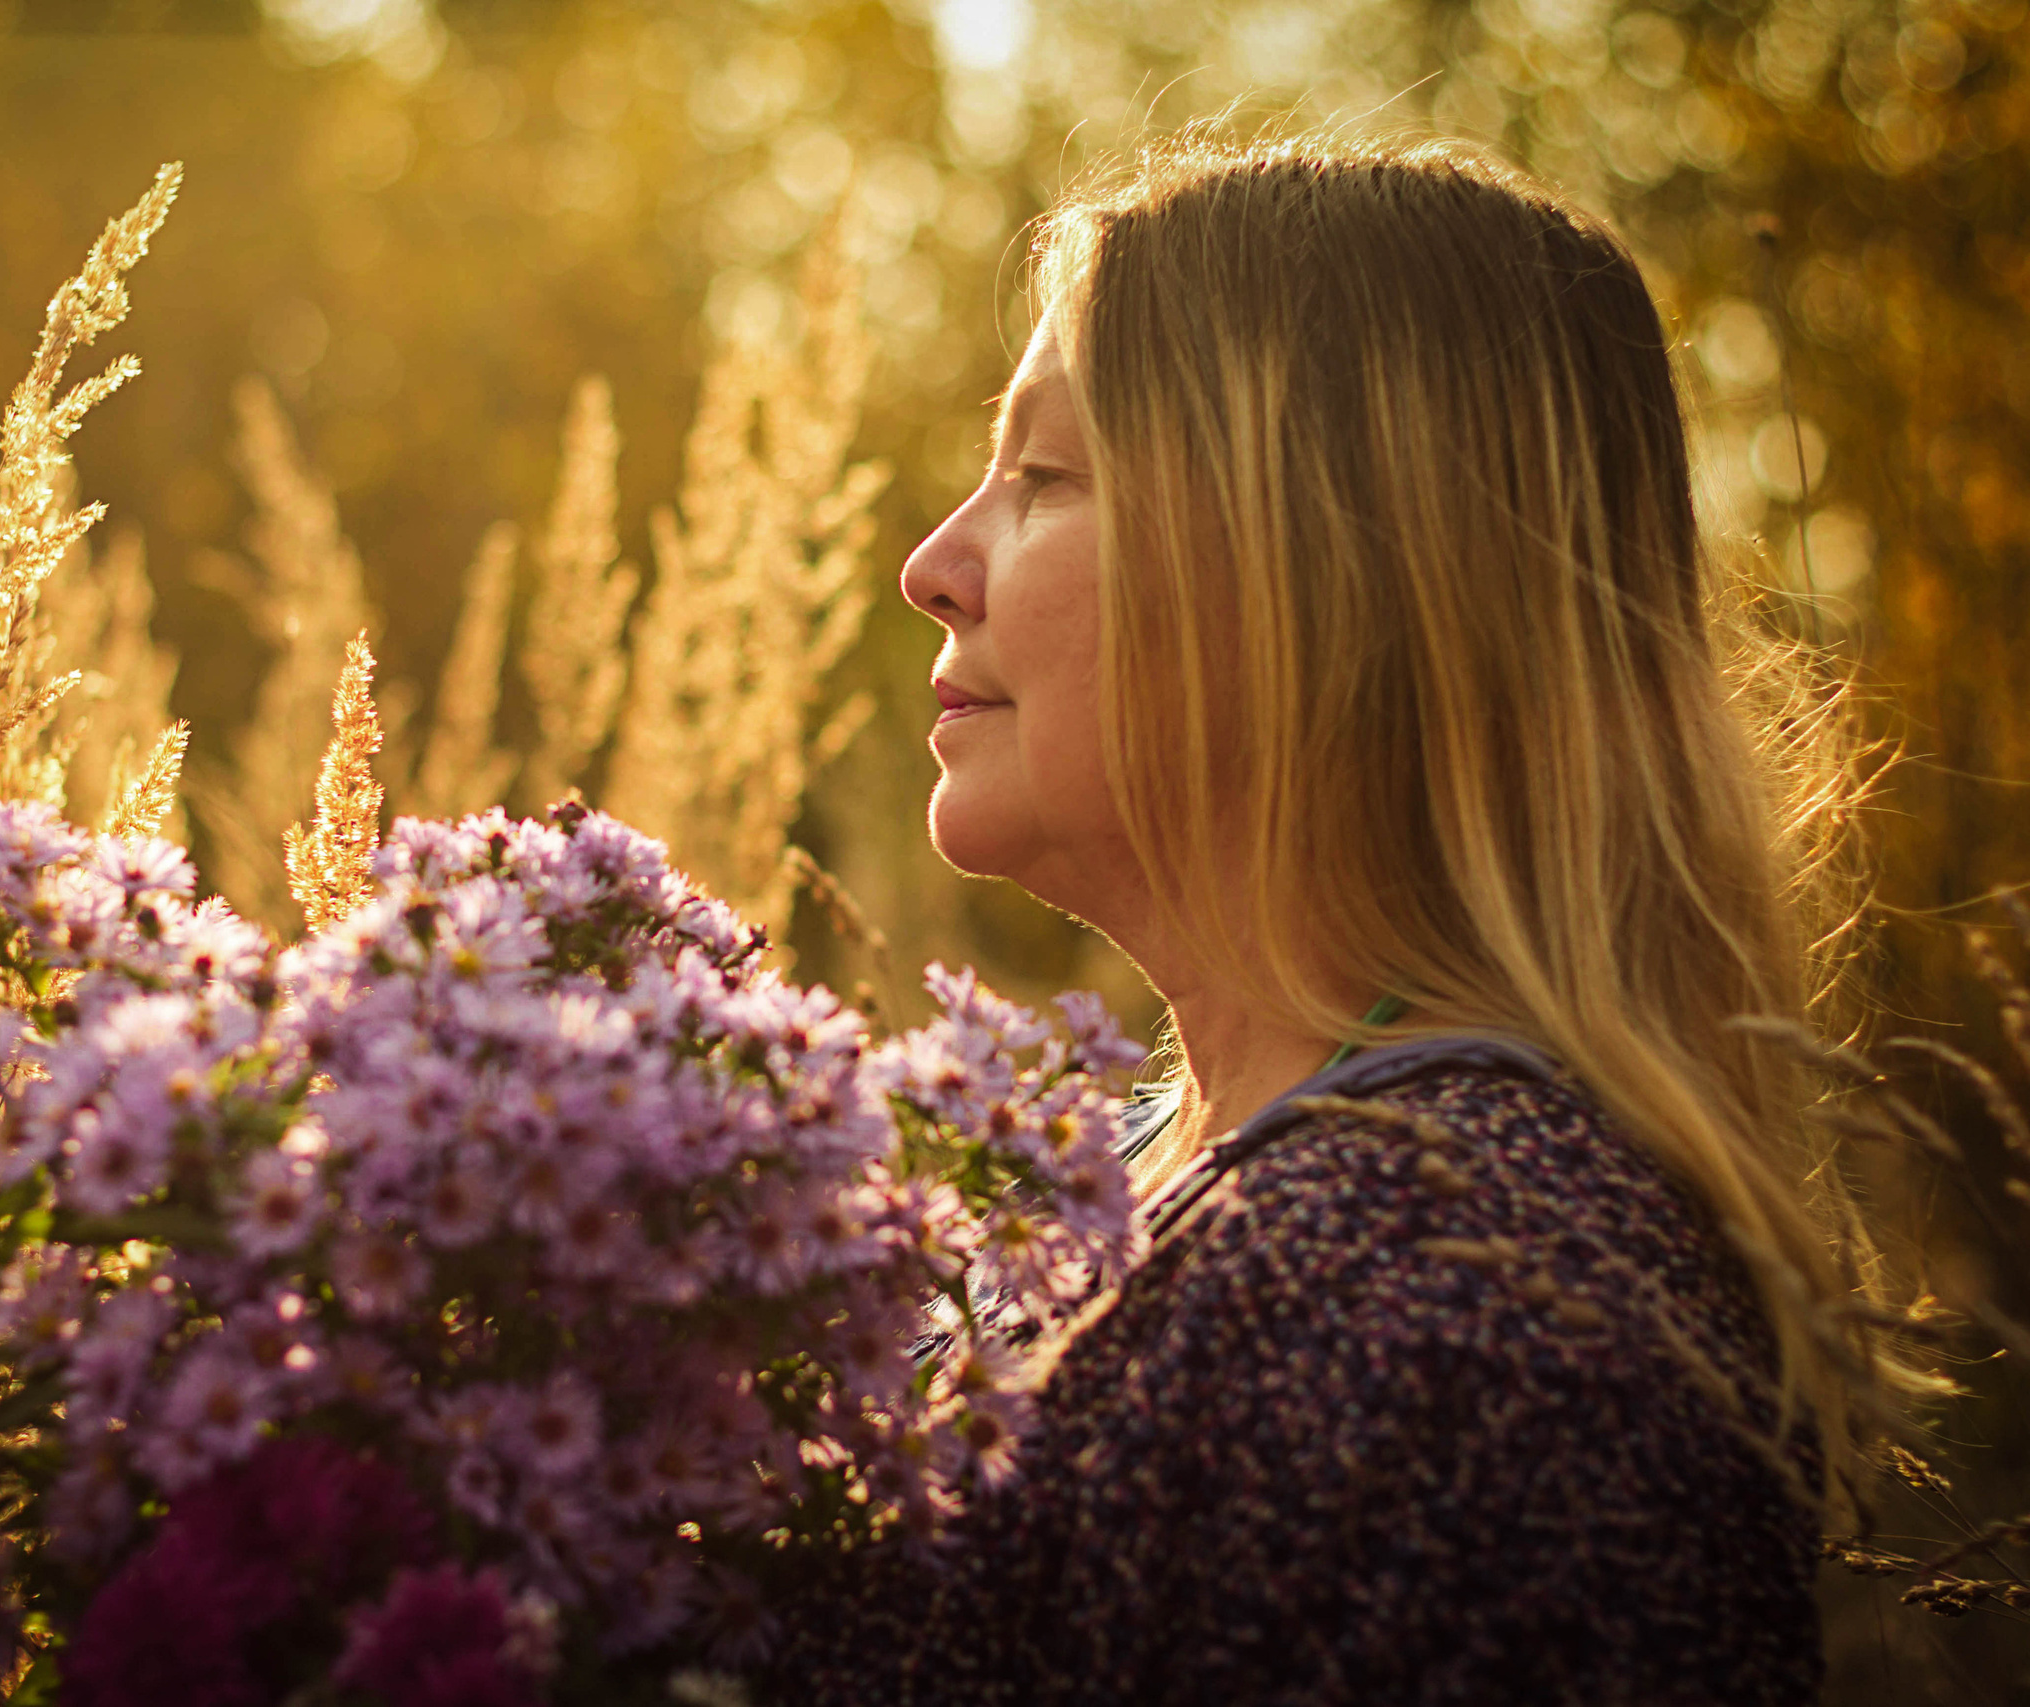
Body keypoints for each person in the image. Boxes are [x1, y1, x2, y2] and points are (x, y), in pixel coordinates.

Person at [766, 132, 1906, 1705]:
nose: (931, 566)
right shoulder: (1150, 1187)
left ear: (1319, 571)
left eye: (1043, 478)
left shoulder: (1456, 1312)